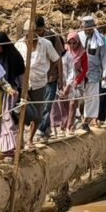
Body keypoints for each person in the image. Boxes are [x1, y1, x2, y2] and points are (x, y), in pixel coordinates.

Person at [16, 19, 61, 147]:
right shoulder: (19, 45)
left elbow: (56, 59)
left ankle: (30, 139)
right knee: (22, 112)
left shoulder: (45, 44)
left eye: (33, 32)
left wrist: (49, 72)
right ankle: (20, 140)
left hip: (39, 83)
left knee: (38, 114)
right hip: (24, 83)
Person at [35, 16, 65, 141]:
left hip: (51, 77)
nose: (37, 33)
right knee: (39, 106)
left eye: (39, 30)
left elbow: (58, 59)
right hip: (37, 78)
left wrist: (60, 78)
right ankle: (46, 128)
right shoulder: (32, 39)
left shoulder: (52, 38)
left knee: (47, 105)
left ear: (43, 28)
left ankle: (41, 130)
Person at [53, 31, 88, 137]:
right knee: (62, 105)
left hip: (77, 81)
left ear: (78, 43)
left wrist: (76, 81)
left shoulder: (82, 53)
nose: (72, 45)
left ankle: (70, 126)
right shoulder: (62, 52)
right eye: (70, 43)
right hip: (62, 82)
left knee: (73, 103)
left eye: (74, 43)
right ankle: (63, 126)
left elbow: (85, 69)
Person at [78, 16, 106, 128]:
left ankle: (86, 122)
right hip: (79, 72)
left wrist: (105, 74)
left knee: (92, 98)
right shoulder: (78, 37)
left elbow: (104, 57)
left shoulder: (100, 39)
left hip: (93, 72)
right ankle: (78, 119)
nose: (88, 30)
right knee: (78, 97)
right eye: (86, 28)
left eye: (90, 28)